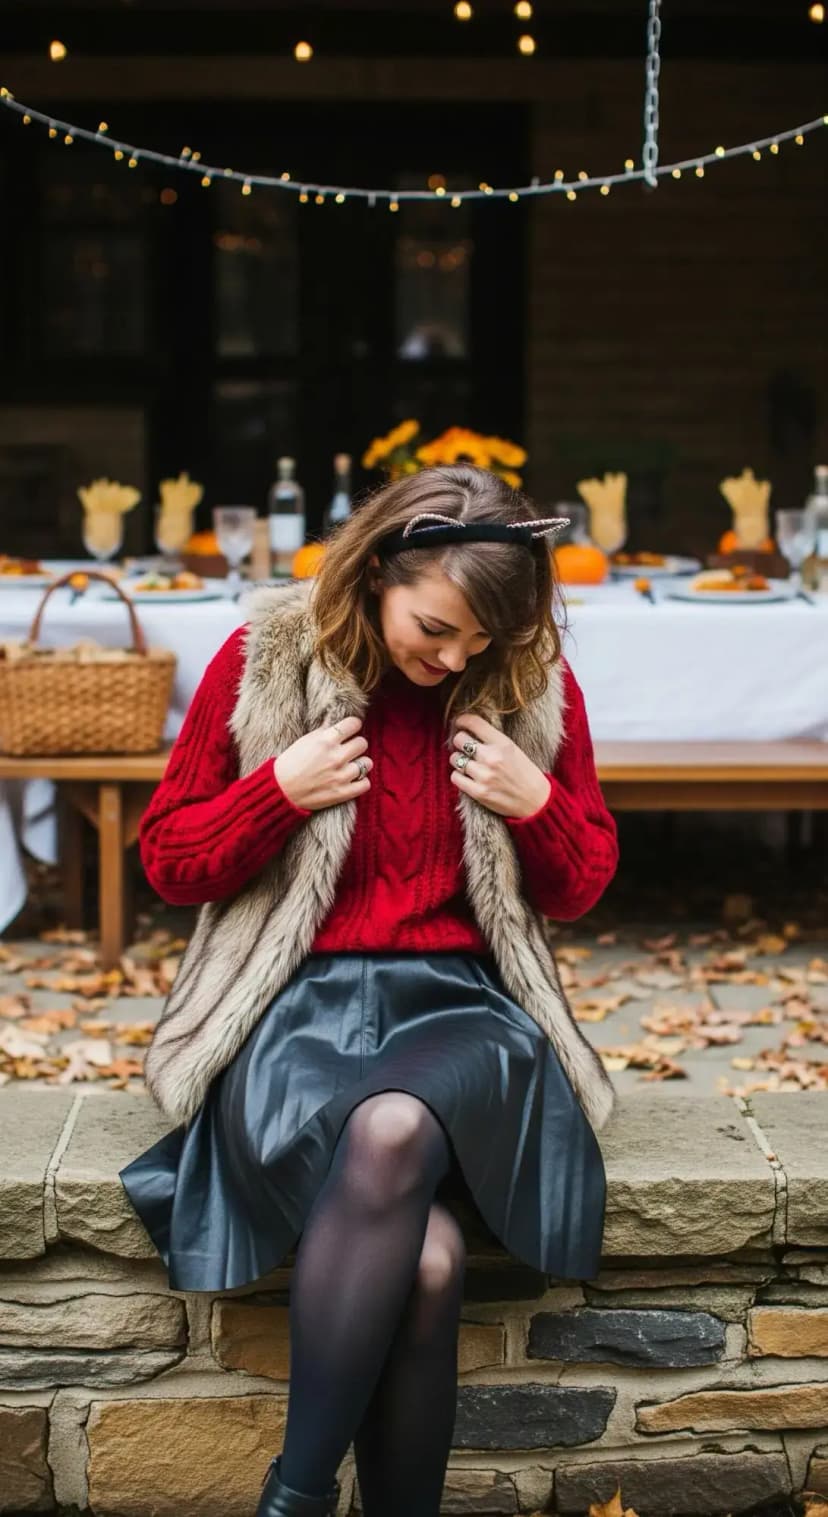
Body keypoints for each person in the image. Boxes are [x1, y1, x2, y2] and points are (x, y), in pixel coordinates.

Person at [119, 463, 619, 1517]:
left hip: (464, 1010)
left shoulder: (532, 686)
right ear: (380, 569)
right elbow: (167, 858)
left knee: (392, 1127)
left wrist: (536, 803)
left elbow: (579, 887)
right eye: (436, 628)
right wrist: (275, 792)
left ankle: (293, 1498)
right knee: (429, 1262)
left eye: (481, 639)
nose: (455, 659)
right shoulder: (265, 662)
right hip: (290, 1005)